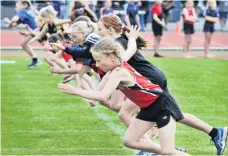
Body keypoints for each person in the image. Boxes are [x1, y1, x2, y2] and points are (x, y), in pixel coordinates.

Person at [58, 38, 189, 155]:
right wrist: (131, 37)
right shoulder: (120, 60)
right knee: (130, 141)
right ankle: (168, 151)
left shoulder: (118, 72)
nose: (96, 65)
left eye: (98, 60)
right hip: (149, 107)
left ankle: (173, 151)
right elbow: (132, 47)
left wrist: (75, 91)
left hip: (161, 104)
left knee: (167, 151)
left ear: (111, 57)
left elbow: (103, 96)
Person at [3, 0, 41, 68]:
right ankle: (35, 58)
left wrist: (9, 22)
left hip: (36, 31)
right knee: (23, 43)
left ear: (24, 5)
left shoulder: (22, 11)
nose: (16, 7)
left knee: (48, 46)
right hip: (36, 30)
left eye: (18, 5)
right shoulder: (29, 10)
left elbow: (15, 20)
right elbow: (19, 23)